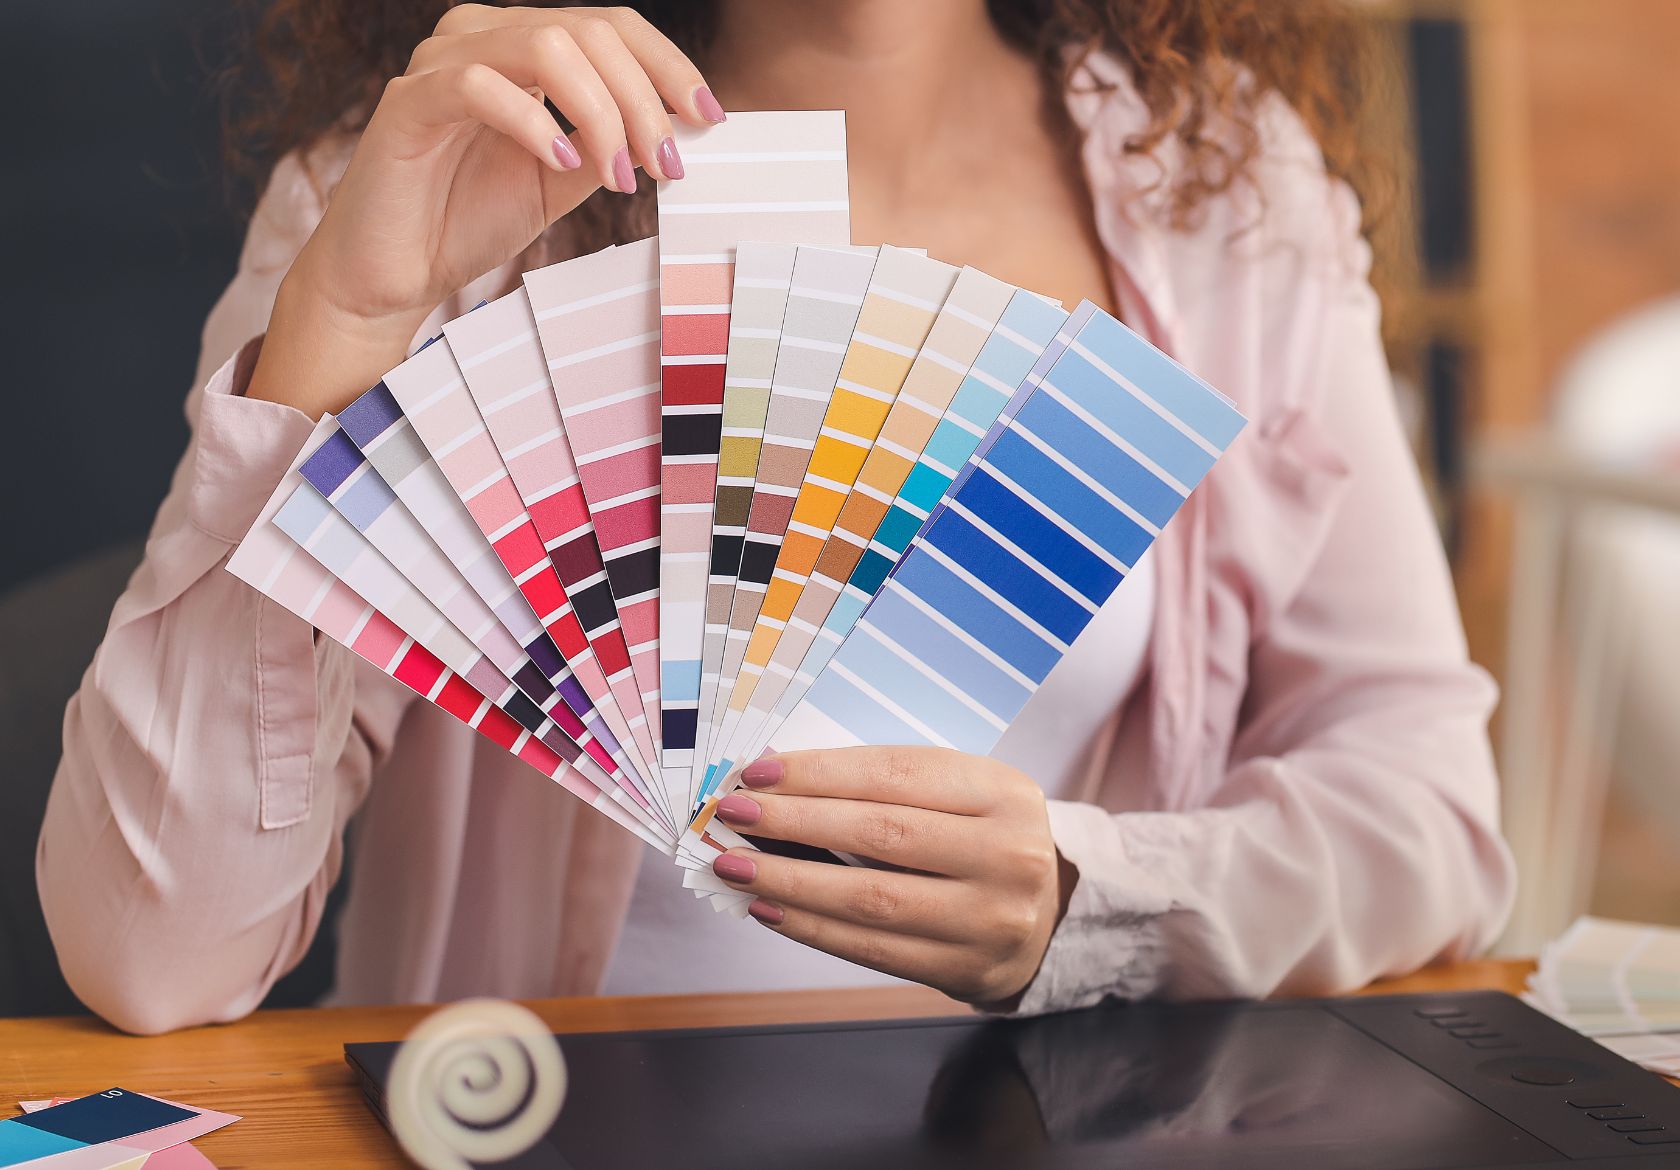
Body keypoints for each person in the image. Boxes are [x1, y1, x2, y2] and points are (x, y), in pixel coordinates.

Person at [38, 0, 1515, 1034]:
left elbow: (1425, 804)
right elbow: (151, 958)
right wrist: (345, 324)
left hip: (1051, 1122)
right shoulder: (430, 185)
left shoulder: (1225, 198)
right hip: (529, 1127)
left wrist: (1096, 901)